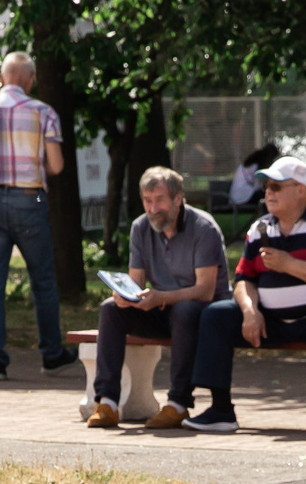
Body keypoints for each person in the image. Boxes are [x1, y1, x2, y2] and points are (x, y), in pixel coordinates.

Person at [185, 156, 306, 436]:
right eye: (266, 186)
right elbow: (244, 279)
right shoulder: (260, 228)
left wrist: (288, 264)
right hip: (269, 320)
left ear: (301, 190)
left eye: (277, 186)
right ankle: (220, 411)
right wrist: (249, 311)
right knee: (216, 315)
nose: (268, 192)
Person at [0, 53, 81, 383]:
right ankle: (51, 355)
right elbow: (56, 166)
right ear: (30, 80)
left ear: (2, 78)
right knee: (42, 281)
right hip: (30, 199)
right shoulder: (44, 113)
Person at [86, 166, 227, 429]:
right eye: (147, 201)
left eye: (159, 200)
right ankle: (107, 402)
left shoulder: (203, 227)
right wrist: (125, 296)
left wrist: (161, 296)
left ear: (177, 199)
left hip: (204, 313)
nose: (153, 209)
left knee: (185, 310)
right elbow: (136, 282)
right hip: (162, 306)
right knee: (110, 309)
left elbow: (205, 290)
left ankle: (177, 404)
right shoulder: (141, 227)